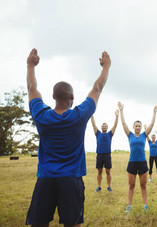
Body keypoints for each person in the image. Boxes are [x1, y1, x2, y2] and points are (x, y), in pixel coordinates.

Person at [25, 48, 111, 226]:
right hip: (71, 179)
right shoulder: (78, 116)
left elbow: (32, 88)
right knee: (72, 223)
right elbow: (97, 88)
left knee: (38, 223)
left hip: (45, 178)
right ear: (72, 97)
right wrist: (106, 67)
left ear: (53, 97)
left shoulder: (42, 115)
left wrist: (30, 65)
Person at [118, 101, 157, 213]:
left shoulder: (144, 135)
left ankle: (145, 205)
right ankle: (129, 206)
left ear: (141, 127)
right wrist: (121, 110)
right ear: (133, 127)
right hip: (132, 162)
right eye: (136, 126)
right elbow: (123, 123)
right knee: (131, 185)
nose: (137, 127)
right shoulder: (130, 135)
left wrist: (154, 112)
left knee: (143, 185)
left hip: (142, 162)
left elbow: (151, 125)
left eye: (139, 126)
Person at [91, 111, 119, 192]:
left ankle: (109, 187)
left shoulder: (110, 134)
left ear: (107, 128)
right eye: (103, 126)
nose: (104, 127)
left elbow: (115, 126)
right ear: (101, 127)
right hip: (99, 154)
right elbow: (93, 125)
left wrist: (116, 117)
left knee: (108, 171)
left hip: (107, 155)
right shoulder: (98, 133)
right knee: (99, 171)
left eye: (105, 126)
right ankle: (99, 187)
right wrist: (91, 115)